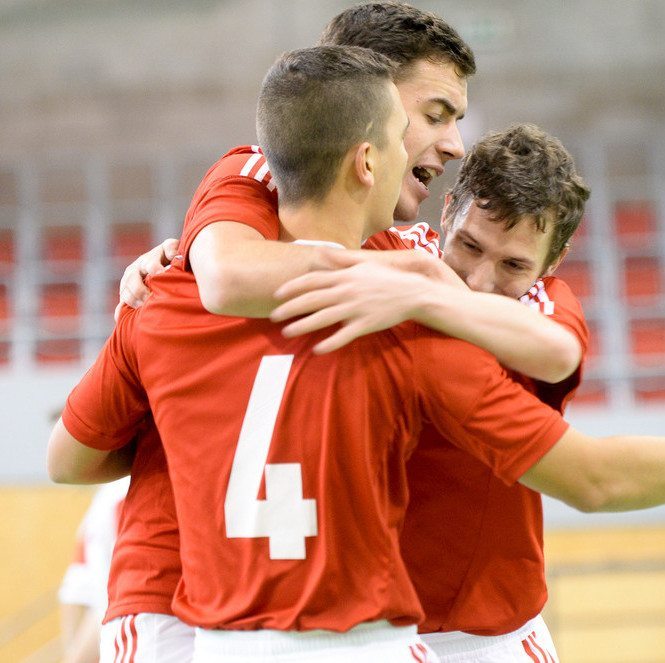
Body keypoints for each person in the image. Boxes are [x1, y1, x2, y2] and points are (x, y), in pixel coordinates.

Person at [51, 44, 442, 663]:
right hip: (197, 592)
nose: (450, 143)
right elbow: (228, 275)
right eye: (430, 115)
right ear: (363, 143)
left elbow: (69, 461)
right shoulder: (389, 285)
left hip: (233, 612)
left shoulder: (170, 290)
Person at [58, 478, 129, 663]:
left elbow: (111, 599)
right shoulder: (103, 501)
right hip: (106, 619)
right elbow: (74, 590)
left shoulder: (124, 492)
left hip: (120, 618)